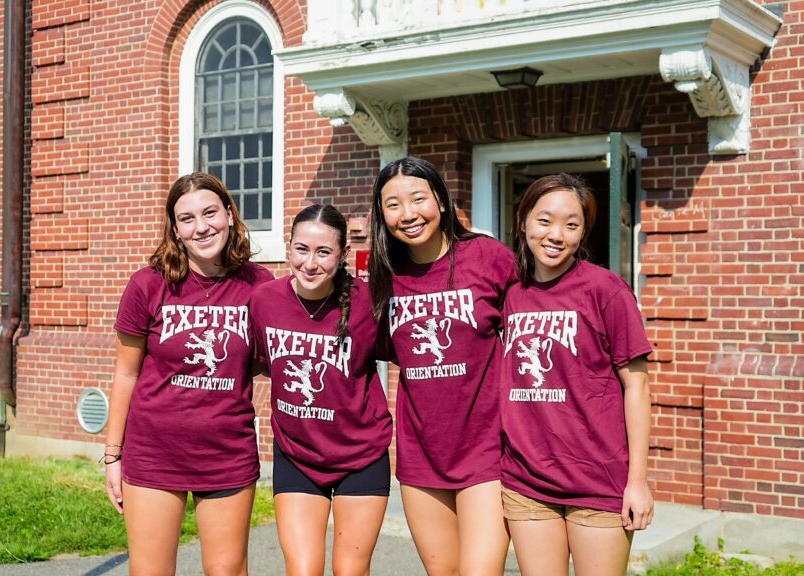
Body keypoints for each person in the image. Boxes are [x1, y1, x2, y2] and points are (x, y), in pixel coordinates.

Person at [104, 172, 274, 576]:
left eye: (210, 213)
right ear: (175, 230)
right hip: (154, 452)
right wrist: (113, 455)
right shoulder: (149, 285)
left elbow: (266, 360)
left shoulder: (260, 286)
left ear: (230, 215)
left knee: (227, 570)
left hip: (226, 452)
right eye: (187, 219)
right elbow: (126, 374)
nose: (201, 227)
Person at [367, 157, 517, 575]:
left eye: (419, 199)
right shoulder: (384, 275)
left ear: (443, 202)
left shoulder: (488, 257)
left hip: (487, 449)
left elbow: (535, 319)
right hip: (421, 453)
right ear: (381, 214)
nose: (408, 214)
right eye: (393, 204)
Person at [500, 173, 654, 576]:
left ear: (584, 231)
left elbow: (636, 387)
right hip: (527, 480)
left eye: (572, 224)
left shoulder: (607, 290)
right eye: (545, 220)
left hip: (598, 480)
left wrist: (637, 482)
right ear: (523, 221)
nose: (556, 235)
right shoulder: (511, 293)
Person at [250, 204, 393, 576]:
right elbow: (259, 362)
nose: (310, 263)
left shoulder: (369, 302)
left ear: (343, 254)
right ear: (289, 246)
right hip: (298, 456)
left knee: (350, 570)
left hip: (361, 455)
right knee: (303, 569)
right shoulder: (265, 301)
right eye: (301, 249)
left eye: (323, 252)